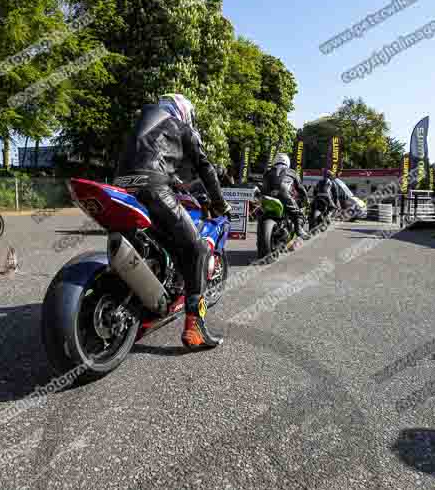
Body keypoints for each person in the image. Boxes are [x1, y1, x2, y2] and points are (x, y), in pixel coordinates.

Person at [115, 93, 232, 350]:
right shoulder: (182, 126)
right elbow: (205, 167)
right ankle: (195, 328)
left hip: (122, 187)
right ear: (184, 111)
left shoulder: (141, 120)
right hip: (152, 187)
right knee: (198, 248)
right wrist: (220, 203)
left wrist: (175, 182)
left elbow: (148, 158)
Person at [261, 153, 311, 239]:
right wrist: (306, 199)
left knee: (261, 215)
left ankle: (261, 232)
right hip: (284, 195)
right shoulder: (292, 172)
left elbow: (264, 184)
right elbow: (300, 188)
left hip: (267, 195)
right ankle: (299, 230)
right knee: (298, 214)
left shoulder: (267, 172)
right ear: (287, 162)